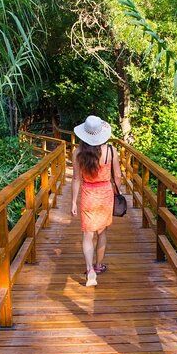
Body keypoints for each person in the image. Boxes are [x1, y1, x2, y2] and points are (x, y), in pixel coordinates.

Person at [71, 115, 123, 287]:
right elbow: (117, 176)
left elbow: (76, 179)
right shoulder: (110, 151)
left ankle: (90, 270)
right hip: (105, 194)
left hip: (88, 195)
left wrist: (73, 202)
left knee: (87, 234)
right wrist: (118, 191)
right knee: (102, 232)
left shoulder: (77, 153)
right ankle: (98, 265)